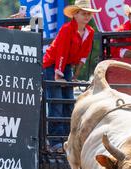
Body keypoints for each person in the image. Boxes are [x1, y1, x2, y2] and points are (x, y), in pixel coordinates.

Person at [43, 0, 100, 152]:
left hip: (65, 66)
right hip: (52, 65)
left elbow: (83, 55)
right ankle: (55, 142)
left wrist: (75, 75)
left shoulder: (90, 32)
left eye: (89, 13)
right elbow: (60, 52)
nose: (87, 16)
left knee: (68, 102)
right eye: (84, 13)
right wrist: (58, 74)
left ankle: (67, 140)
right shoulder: (67, 29)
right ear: (75, 14)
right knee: (57, 102)